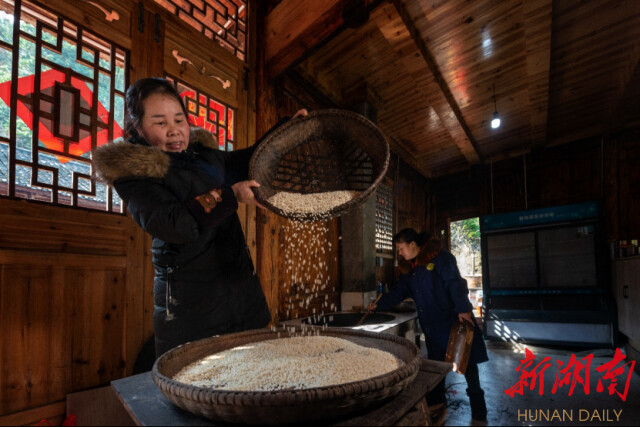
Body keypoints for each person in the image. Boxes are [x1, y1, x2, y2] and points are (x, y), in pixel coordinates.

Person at [92, 77, 306, 357]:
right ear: (138, 128)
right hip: (192, 309)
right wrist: (228, 195)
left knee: (250, 375)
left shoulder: (203, 157)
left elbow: (248, 161)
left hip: (239, 293)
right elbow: (175, 224)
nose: (173, 131)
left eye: (178, 120)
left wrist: (286, 132)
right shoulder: (134, 174)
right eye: (160, 122)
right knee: (201, 383)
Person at [368, 228, 488, 425]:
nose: (399, 253)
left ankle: (479, 412)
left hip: (453, 323)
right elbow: (397, 293)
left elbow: (455, 284)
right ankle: (436, 406)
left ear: (413, 244)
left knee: (468, 365)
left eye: (400, 248)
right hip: (432, 328)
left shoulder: (440, 259)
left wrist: (464, 309)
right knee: (436, 368)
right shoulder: (410, 270)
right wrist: (377, 305)